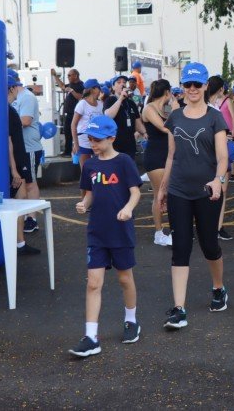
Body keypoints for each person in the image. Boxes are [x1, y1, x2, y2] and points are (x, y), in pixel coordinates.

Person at [158, 62, 229, 330]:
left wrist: (218, 180)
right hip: (179, 190)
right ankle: (179, 308)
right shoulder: (175, 117)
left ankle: (219, 288)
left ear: (205, 86)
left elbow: (222, 157)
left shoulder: (214, 117)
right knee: (181, 248)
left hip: (207, 191)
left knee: (209, 245)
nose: (192, 89)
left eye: (197, 84)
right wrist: (163, 189)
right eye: (187, 84)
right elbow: (171, 155)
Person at [69, 115, 142, 357]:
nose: (93, 144)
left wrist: (128, 208)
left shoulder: (124, 162)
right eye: (89, 139)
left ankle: (131, 320)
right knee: (93, 283)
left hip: (120, 231)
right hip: (97, 232)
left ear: (112, 138)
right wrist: (84, 204)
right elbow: (90, 194)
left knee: (124, 279)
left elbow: (135, 193)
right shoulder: (90, 165)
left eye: (97, 140)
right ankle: (91, 336)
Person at [142, 79, 176, 246]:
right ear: (167, 92)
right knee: (159, 194)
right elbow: (164, 127)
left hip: (169, 155)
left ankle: (173, 230)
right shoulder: (149, 108)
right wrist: (176, 112)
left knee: (170, 194)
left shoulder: (166, 108)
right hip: (155, 156)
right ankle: (159, 233)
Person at [7, 78, 39, 255]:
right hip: (17, 162)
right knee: (19, 199)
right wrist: (14, 169)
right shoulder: (8, 111)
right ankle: (18, 243)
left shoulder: (8, 110)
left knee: (20, 198)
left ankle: (20, 242)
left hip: (18, 160)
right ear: (11, 89)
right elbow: (9, 141)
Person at [11, 69, 45, 234]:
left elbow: (25, 121)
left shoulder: (27, 97)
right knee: (23, 182)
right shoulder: (16, 98)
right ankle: (25, 217)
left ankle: (32, 218)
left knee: (30, 183)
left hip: (30, 147)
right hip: (20, 147)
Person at [207, 76, 234, 239]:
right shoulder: (213, 109)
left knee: (211, 190)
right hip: (217, 155)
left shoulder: (207, 106)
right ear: (220, 90)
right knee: (221, 191)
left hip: (209, 155)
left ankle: (213, 226)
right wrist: (224, 137)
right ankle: (216, 227)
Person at [104, 75, 146, 160]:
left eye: (124, 82)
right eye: (118, 82)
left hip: (129, 144)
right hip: (115, 145)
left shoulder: (131, 103)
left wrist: (145, 133)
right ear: (113, 87)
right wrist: (120, 99)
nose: (122, 84)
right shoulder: (110, 100)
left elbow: (137, 122)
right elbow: (108, 115)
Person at [71, 79, 104, 169]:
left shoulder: (100, 104)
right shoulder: (82, 104)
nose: (100, 90)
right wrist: (75, 144)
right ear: (92, 89)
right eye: (98, 88)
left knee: (98, 169)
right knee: (86, 170)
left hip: (97, 140)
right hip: (83, 141)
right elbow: (73, 124)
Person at [52, 68, 84, 156]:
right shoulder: (71, 84)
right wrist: (55, 76)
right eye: (68, 75)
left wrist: (72, 91)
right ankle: (67, 151)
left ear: (76, 76)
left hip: (75, 113)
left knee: (72, 132)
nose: (68, 77)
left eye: (70, 75)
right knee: (67, 131)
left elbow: (80, 97)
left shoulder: (81, 85)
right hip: (69, 113)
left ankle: (71, 151)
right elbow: (62, 86)